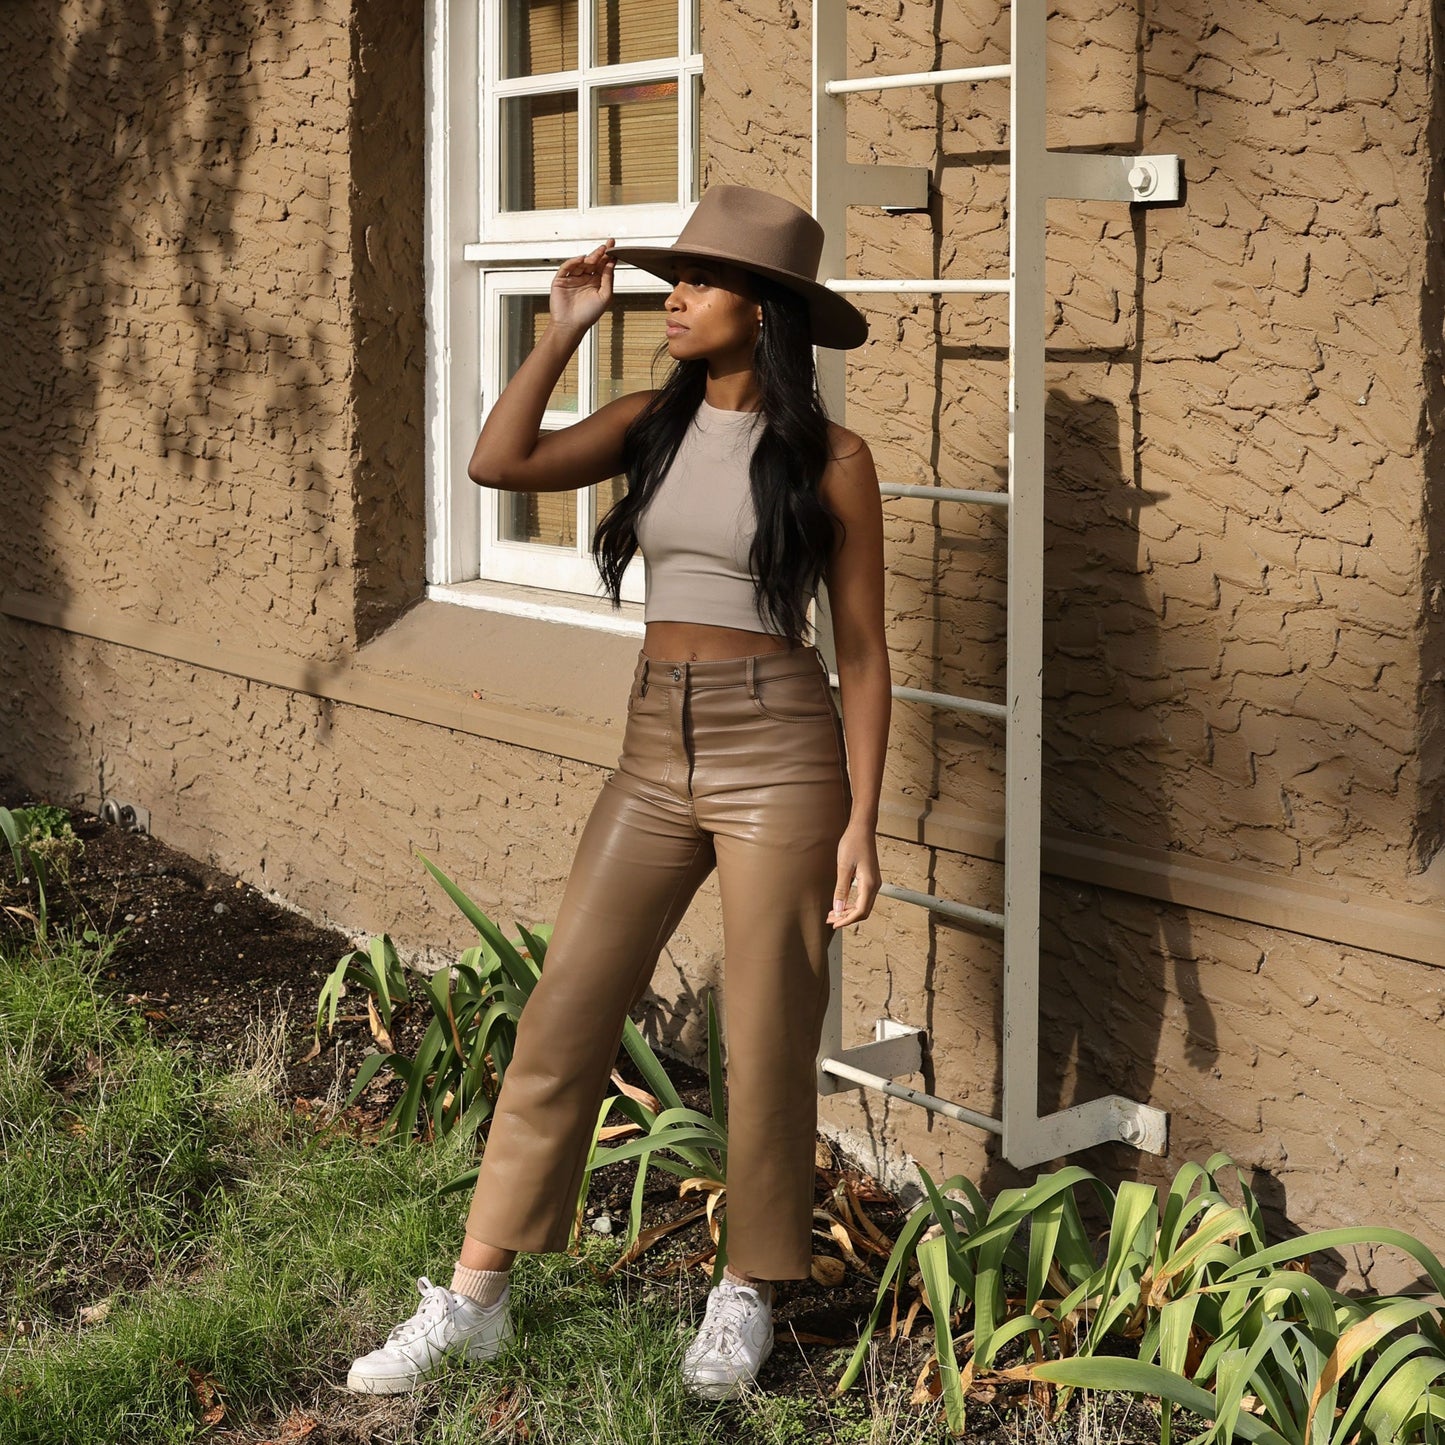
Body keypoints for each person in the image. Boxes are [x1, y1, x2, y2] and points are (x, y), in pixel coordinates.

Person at [345, 185, 890, 1402]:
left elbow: (861, 652)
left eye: (698, 281)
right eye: (670, 278)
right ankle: (472, 1297)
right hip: (653, 745)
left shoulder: (831, 462)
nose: (672, 297)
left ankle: (746, 1288)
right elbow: (501, 462)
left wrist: (859, 818)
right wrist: (562, 328)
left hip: (781, 753)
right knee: (564, 1007)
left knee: (764, 1030)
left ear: (765, 312)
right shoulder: (652, 419)